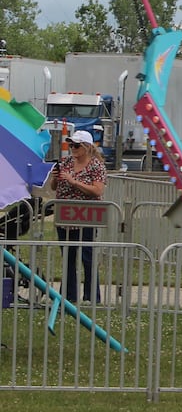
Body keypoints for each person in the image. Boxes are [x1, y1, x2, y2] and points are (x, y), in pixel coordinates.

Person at [46, 129, 106, 305]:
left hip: (87, 216)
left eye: (76, 145)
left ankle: (91, 298)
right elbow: (54, 187)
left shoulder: (96, 166)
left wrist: (74, 182)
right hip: (65, 215)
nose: (72, 148)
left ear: (87, 147)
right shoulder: (65, 163)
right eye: (71, 144)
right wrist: (56, 179)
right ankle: (69, 297)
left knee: (87, 257)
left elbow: (98, 190)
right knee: (68, 258)